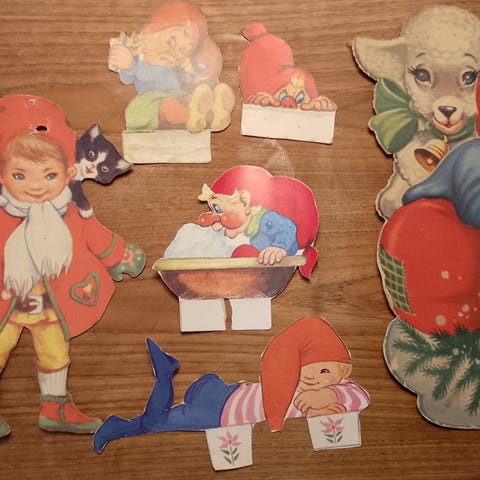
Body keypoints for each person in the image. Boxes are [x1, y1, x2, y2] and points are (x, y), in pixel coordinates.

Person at [0, 94, 145, 437]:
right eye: (20, 175)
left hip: (52, 301)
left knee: (55, 352)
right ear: (2, 175)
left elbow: (95, 236)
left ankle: (55, 408)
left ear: (67, 173)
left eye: (48, 175)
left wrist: (120, 254)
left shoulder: (71, 211)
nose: (36, 186)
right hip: (7, 301)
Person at [93, 316, 370, 452]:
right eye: (301, 368)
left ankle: (119, 426)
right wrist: (324, 396)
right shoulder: (293, 384)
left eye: (324, 370)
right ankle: (163, 374)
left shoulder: (342, 389)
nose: (310, 377)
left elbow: (360, 396)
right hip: (221, 402)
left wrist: (327, 397)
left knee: (155, 424)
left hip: (219, 411)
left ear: (343, 372)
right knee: (156, 424)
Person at [108, 0, 234, 133]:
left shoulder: (177, 70)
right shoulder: (139, 60)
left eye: (183, 51)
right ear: (151, 34)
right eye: (172, 41)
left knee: (190, 99)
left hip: (178, 95)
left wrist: (199, 77)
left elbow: (189, 79)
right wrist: (127, 64)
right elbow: (127, 77)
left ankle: (215, 115)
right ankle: (194, 118)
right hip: (153, 101)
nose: (174, 53)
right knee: (170, 107)